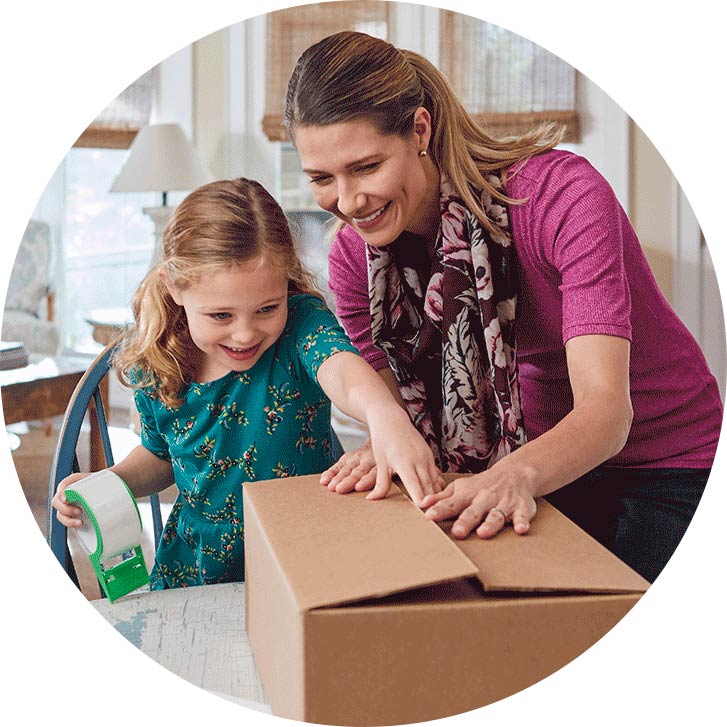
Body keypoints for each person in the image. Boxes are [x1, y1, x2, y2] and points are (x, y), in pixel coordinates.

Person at [283, 30, 723, 583]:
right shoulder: (354, 259)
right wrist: (386, 440)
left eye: (366, 167)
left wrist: (513, 475)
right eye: (322, 179)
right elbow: (393, 408)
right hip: (529, 466)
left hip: (666, 462)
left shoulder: (561, 198)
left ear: (419, 131)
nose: (346, 203)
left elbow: (608, 412)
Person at [52, 177, 441, 589]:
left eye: (266, 308)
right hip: (197, 569)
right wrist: (112, 482)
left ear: (285, 283)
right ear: (174, 287)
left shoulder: (300, 325)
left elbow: (343, 371)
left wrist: (385, 415)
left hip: (305, 557)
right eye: (221, 316)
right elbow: (163, 456)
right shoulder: (160, 360)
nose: (245, 334)